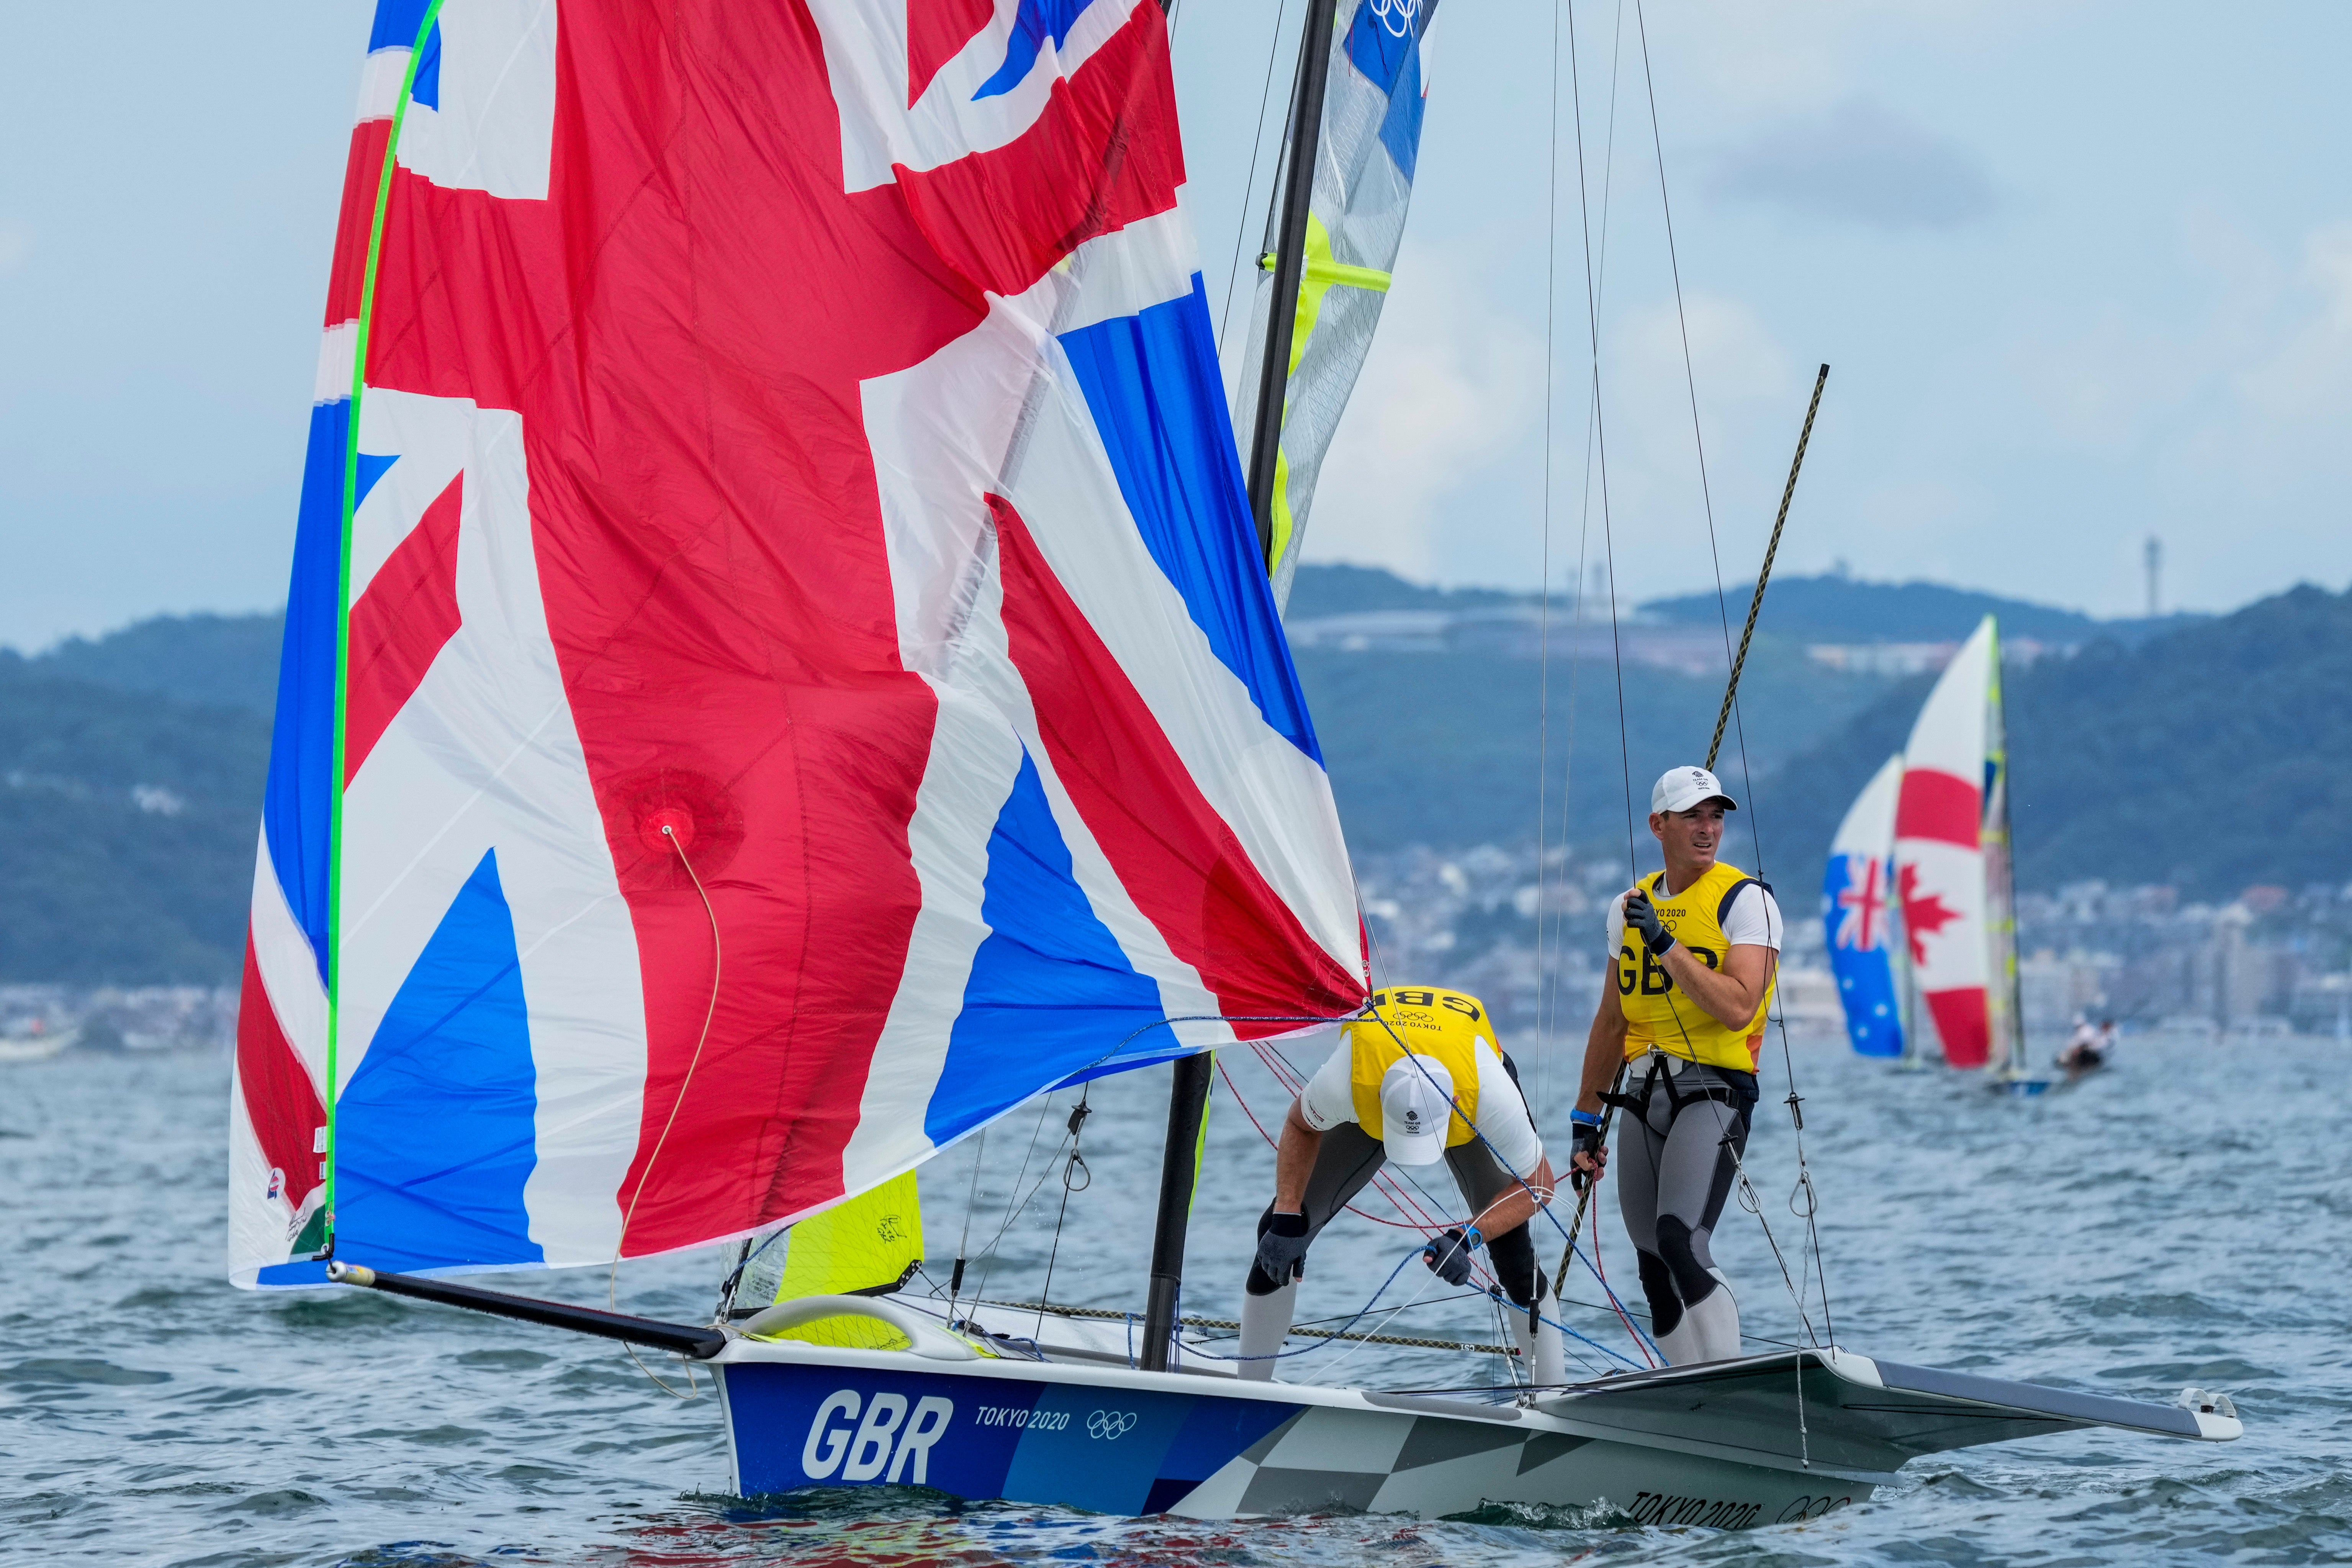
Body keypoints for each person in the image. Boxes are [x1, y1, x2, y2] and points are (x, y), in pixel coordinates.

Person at [1241, 985, 1566, 1386]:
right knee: (1276, 1233)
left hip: (1465, 1096)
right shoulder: (1347, 1079)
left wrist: (1468, 1237)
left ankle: (1551, 1394)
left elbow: (1541, 1186)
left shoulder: (1491, 1094)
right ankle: (1250, 1389)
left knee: (1514, 1258)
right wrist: (1288, 1214)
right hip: (1376, 1091)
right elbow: (1299, 1125)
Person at [1568, 765, 1782, 1366]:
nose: (1707, 828)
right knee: (1649, 1260)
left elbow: (1740, 1008)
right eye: (1692, 815)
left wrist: (1665, 943)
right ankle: (1685, 1387)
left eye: (1715, 815)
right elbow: (1611, 1021)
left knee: (1680, 1238)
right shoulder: (1628, 906)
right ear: (1658, 824)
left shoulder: (1748, 901)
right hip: (1641, 1091)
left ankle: (1726, 1379)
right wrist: (1584, 1120)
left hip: (1715, 1088)